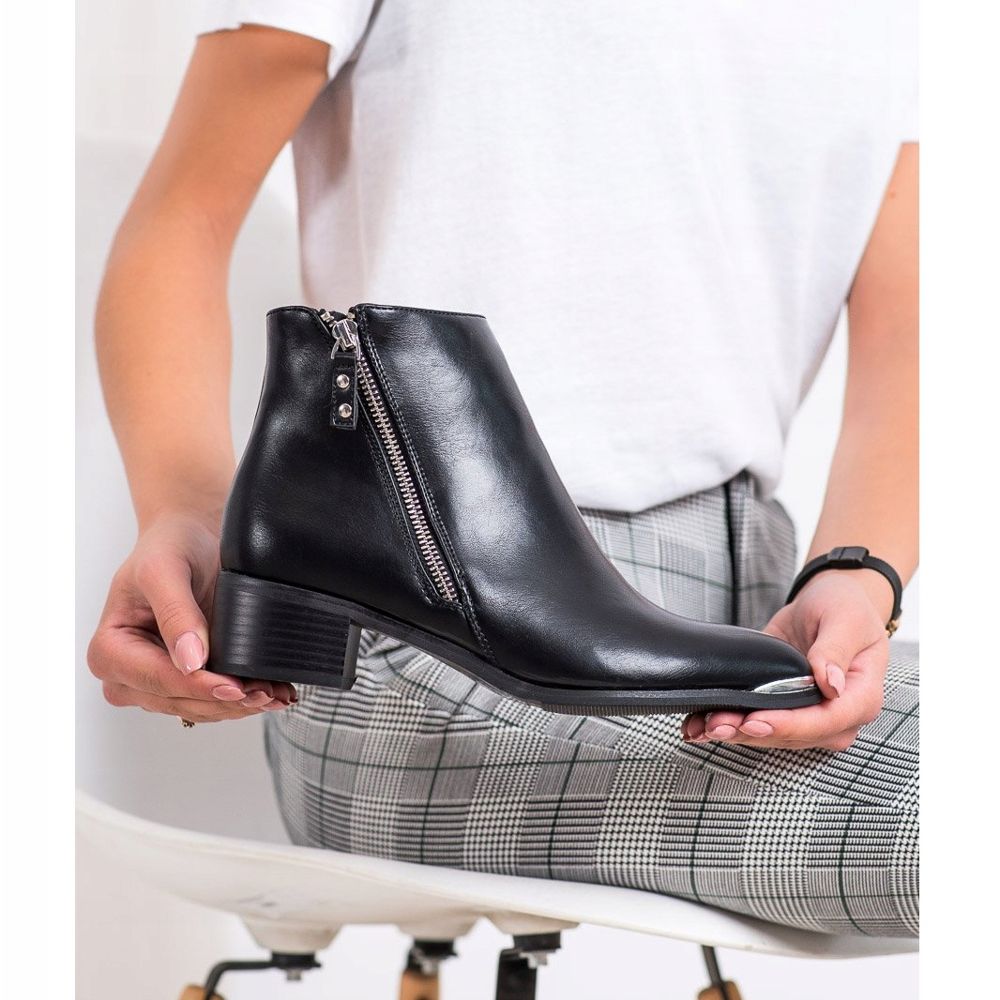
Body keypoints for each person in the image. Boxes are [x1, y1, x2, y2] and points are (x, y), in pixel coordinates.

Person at [87, 2, 918, 937]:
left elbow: (913, 333)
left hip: (753, 617)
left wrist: (857, 571)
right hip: (426, 613)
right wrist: (189, 509)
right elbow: (187, 214)